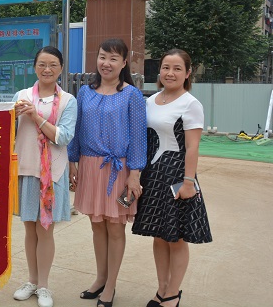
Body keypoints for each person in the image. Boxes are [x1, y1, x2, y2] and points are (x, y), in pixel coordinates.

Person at [67, 39, 147, 307]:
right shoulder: (85, 93)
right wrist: (72, 161)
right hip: (90, 166)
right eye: (103, 57)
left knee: (115, 227)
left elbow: (138, 136)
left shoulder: (132, 95)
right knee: (96, 225)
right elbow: (77, 129)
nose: (106, 63)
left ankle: (111, 285)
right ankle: (100, 278)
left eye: (113, 58)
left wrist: (134, 173)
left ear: (124, 63)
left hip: (119, 168)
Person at [132, 49, 212, 307]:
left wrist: (188, 183)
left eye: (177, 68)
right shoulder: (150, 101)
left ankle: (173, 293)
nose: (170, 73)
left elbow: (192, 147)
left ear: (187, 73)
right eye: (166, 67)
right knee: (158, 235)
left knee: (175, 237)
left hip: (177, 176)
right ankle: (162, 288)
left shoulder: (191, 104)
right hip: (153, 175)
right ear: (159, 71)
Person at [12, 46, 77, 307]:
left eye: (52, 65)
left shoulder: (68, 101)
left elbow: (63, 137)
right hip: (27, 169)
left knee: (45, 230)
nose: (46, 69)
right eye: (41, 64)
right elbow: (6, 130)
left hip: (53, 174)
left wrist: (35, 116)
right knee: (30, 228)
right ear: (34, 67)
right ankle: (31, 280)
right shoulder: (21, 96)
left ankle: (44, 286)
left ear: (61, 69)